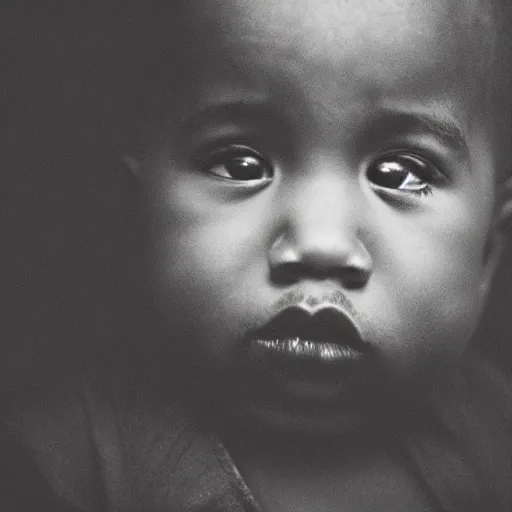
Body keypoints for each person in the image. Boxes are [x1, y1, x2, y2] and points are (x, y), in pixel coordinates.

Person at [4, 0, 512, 510]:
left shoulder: (498, 437)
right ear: (138, 215)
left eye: (399, 174)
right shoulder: (63, 470)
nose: (320, 244)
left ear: (490, 247)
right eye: (241, 162)